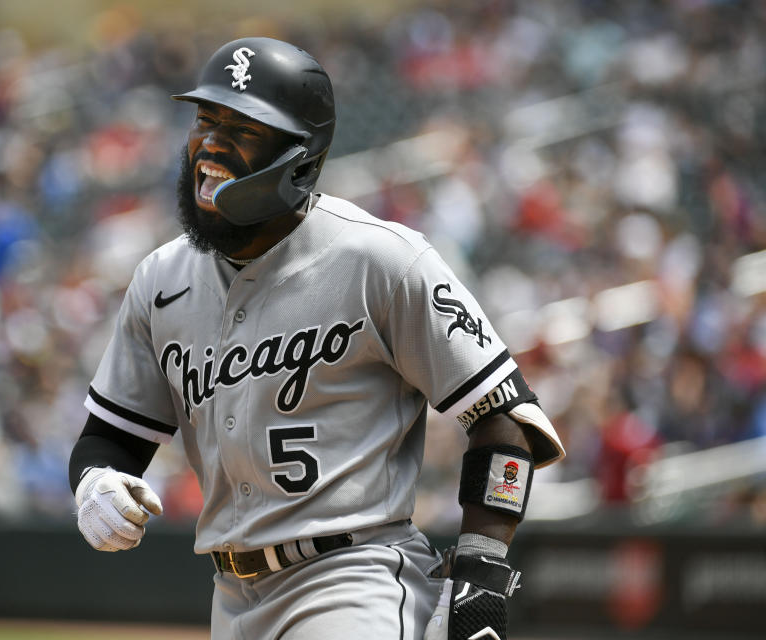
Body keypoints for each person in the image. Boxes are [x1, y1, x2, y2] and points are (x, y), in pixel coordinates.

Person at [68, 36, 565, 640]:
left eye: (243, 129)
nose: (210, 144)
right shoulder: (161, 281)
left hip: (352, 580)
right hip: (230, 598)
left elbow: (503, 418)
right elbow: (111, 437)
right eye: (206, 118)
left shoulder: (379, 259)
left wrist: (481, 573)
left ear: (299, 158)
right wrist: (95, 482)